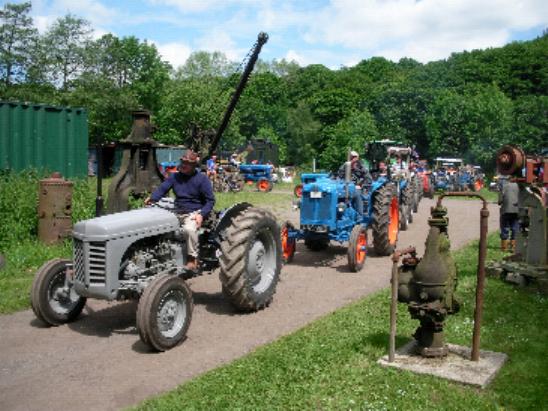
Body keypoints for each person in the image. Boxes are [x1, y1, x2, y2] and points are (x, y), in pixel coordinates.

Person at [145, 149, 215, 271]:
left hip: (194, 211)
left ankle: (192, 259)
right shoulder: (175, 177)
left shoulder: (202, 179)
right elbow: (162, 189)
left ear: (194, 165)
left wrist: (201, 214)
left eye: (187, 163)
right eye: (182, 162)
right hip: (177, 210)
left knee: (189, 229)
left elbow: (210, 201)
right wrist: (152, 198)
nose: (183, 165)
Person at [338, 150, 372, 216]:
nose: (352, 159)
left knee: (357, 193)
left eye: (354, 157)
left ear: (357, 158)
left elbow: (368, 179)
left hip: (359, 187)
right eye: (351, 157)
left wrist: (361, 185)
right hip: (345, 186)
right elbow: (339, 176)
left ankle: (360, 215)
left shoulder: (361, 167)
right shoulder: (345, 166)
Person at [498, 179, 519, 252]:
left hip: (506, 210)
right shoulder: (519, 186)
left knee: (504, 228)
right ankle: (513, 247)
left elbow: (500, 201)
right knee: (515, 228)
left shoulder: (504, 186)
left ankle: (504, 247)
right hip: (517, 210)